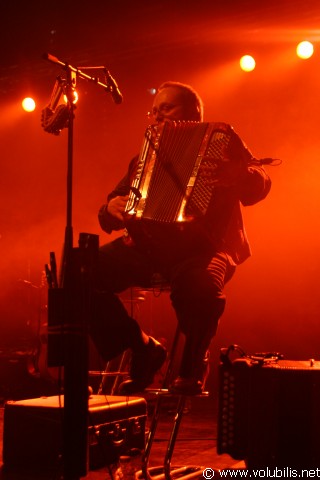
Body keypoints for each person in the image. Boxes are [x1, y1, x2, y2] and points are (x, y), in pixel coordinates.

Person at [90, 81, 272, 395]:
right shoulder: (146, 155)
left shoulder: (222, 139)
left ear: (192, 112)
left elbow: (261, 183)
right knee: (81, 271)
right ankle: (142, 348)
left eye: (166, 108)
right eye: (155, 110)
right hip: (151, 248)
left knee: (199, 285)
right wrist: (110, 209)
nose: (157, 116)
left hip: (205, 247)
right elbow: (113, 204)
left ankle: (192, 365)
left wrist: (240, 175)